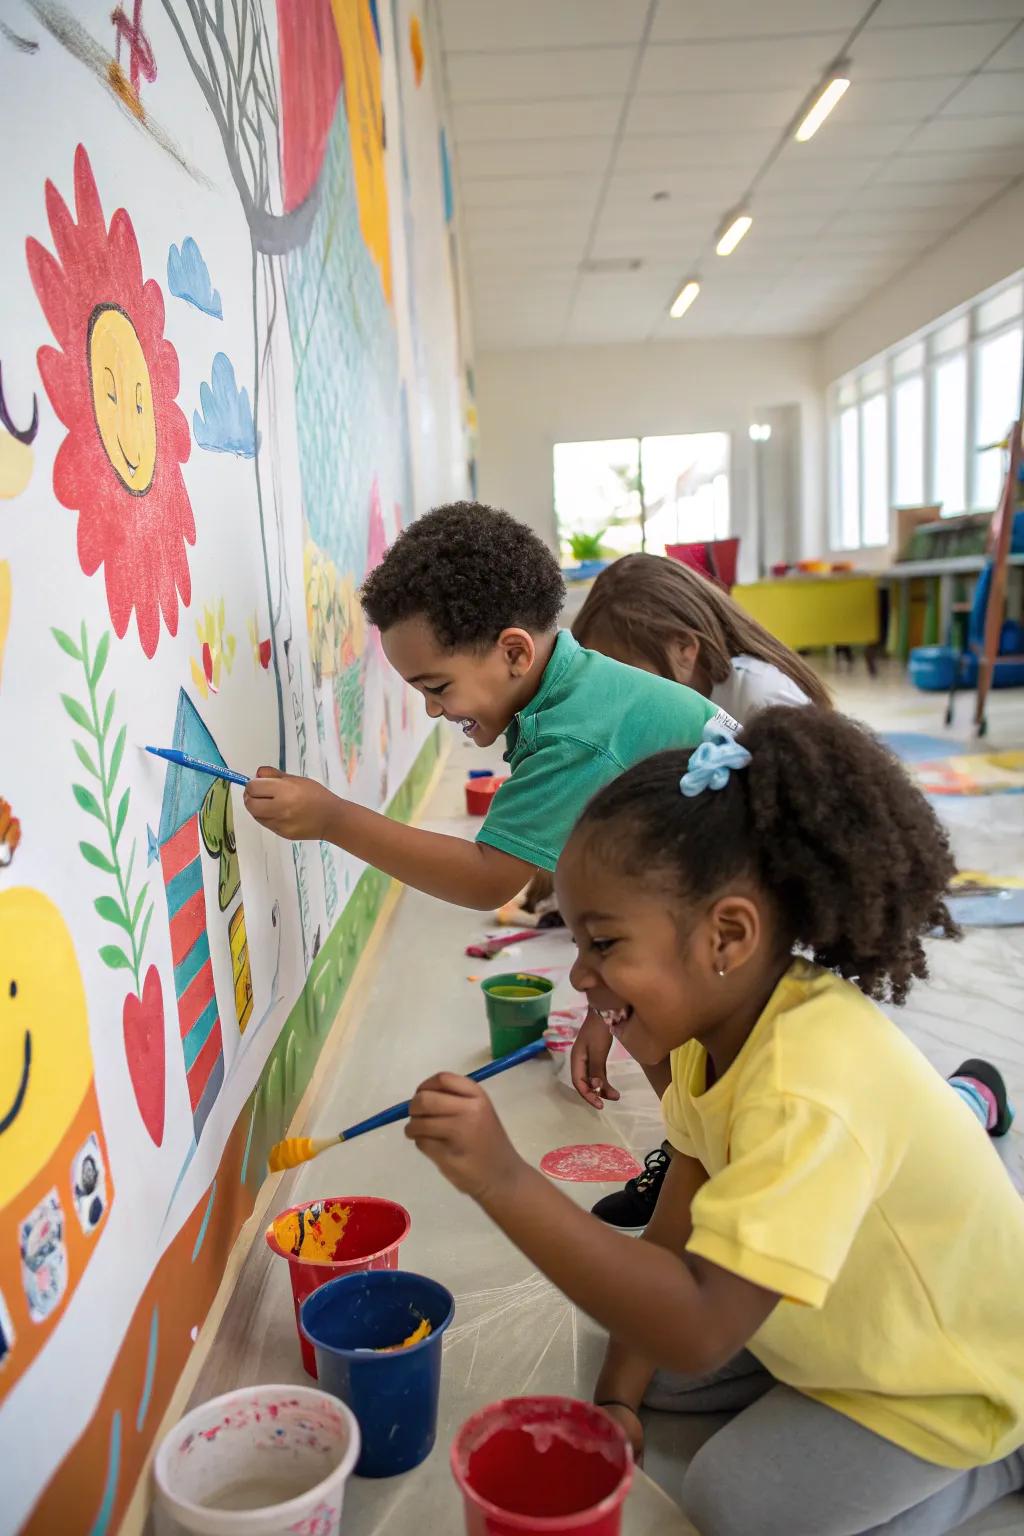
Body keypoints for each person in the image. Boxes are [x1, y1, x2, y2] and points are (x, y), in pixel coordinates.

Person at [406, 708, 1024, 1536]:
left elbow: (697, 1329)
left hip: (950, 1374)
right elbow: (670, 1238)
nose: (581, 976)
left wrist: (504, 1179)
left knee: (732, 1501)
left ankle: (1001, 1454)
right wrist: (621, 1402)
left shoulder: (807, 1087)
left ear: (727, 935)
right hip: (838, 1314)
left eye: (605, 944)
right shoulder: (713, 1042)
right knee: (628, 1337)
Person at [244, 503, 732, 910]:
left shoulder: (572, 734)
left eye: (437, 686)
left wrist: (332, 818)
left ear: (515, 653)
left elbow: (487, 880)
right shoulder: (581, 686)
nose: (434, 710)